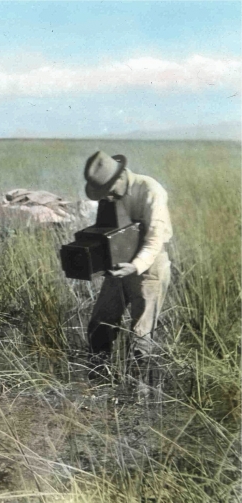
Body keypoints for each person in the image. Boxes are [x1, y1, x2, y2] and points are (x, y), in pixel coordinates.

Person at [83, 151, 172, 397]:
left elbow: (155, 239)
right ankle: (98, 385)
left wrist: (136, 265)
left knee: (141, 335)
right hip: (119, 265)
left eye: (110, 190)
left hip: (149, 267)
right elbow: (107, 230)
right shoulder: (111, 194)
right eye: (103, 194)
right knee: (100, 323)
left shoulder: (151, 190)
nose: (108, 197)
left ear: (122, 174)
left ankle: (140, 395)